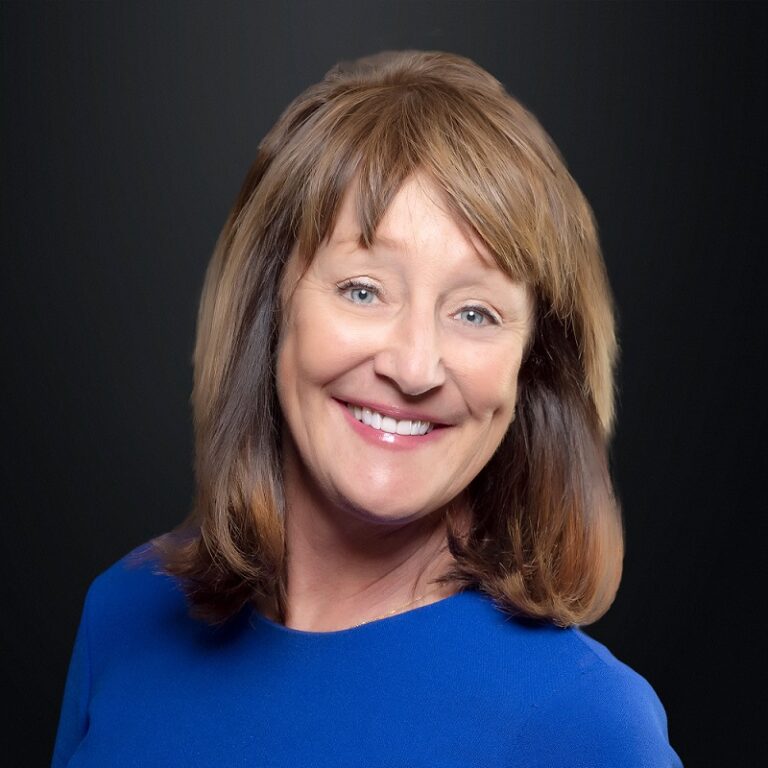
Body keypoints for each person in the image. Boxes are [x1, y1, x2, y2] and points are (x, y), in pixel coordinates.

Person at [52, 50, 682, 767]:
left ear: (531, 368)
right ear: (270, 312)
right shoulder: (125, 613)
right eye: (363, 290)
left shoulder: (587, 727)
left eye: (474, 312)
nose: (414, 368)